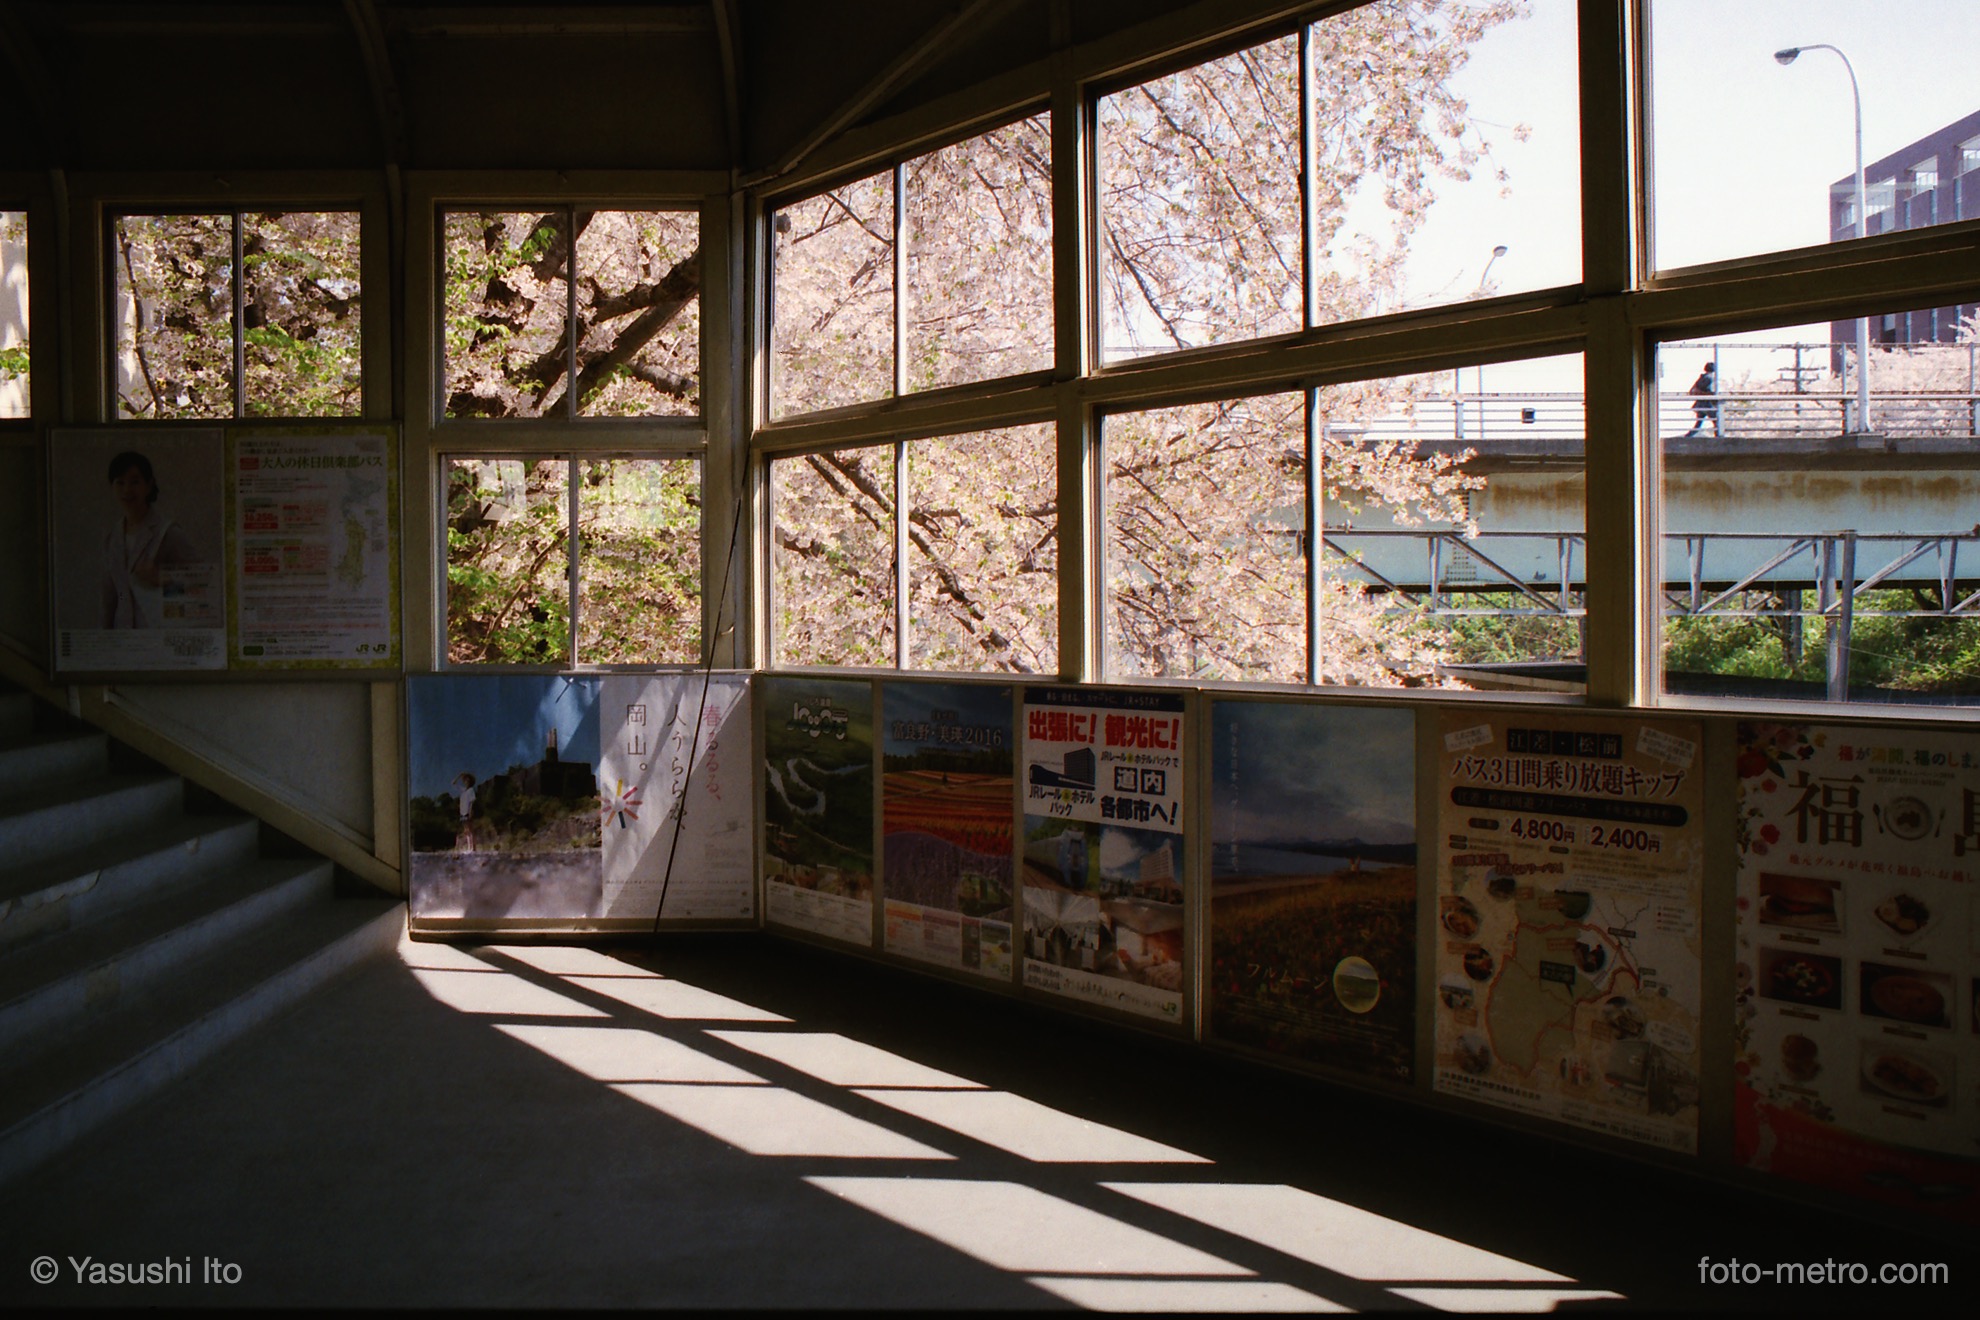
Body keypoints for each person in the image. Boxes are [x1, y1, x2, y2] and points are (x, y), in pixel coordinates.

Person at [100, 450, 201, 628]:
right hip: (122, 634)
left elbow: (201, 581)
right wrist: (104, 636)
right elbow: (110, 596)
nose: (127, 490)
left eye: (135, 482)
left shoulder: (168, 532)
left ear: (149, 485)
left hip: (158, 632)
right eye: (120, 482)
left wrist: (162, 578)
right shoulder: (112, 536)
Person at [1683, 361, 1720, 437]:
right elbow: (1704, 390)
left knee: (1699, 422)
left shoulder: (1702, 378)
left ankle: (1689, 435)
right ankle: (1718, 436)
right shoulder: (1709, 378)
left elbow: (1693, 390)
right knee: (1716, 421)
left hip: (1700, 404)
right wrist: (1710, 394)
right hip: (1706, 404)